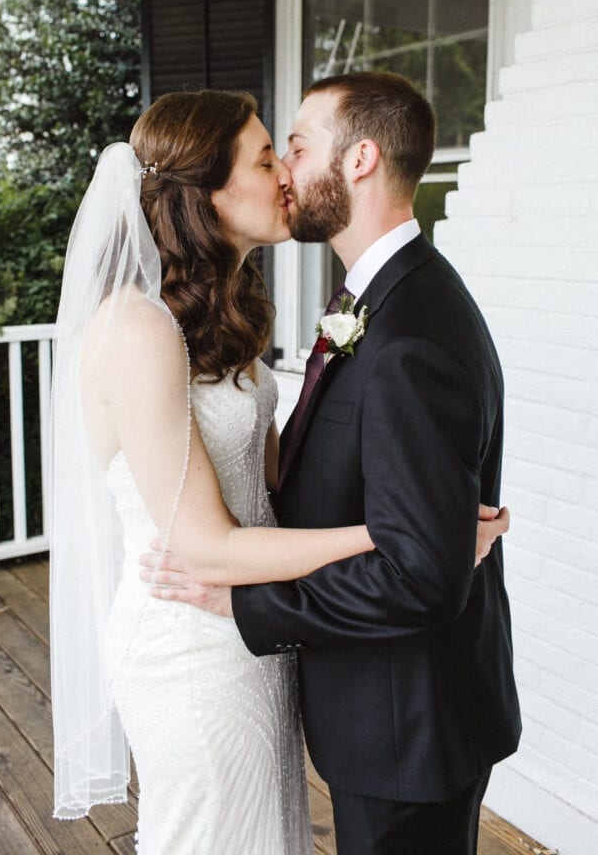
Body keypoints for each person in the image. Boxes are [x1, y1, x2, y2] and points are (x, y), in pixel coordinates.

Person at [140, 73, 520, 855]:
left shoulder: (410, 331)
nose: (285, 171)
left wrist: (246, 604)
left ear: (360, 160)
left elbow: (418, 575)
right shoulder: (384, 298)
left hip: (405, 723)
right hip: (384, 712)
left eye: (298, 147)